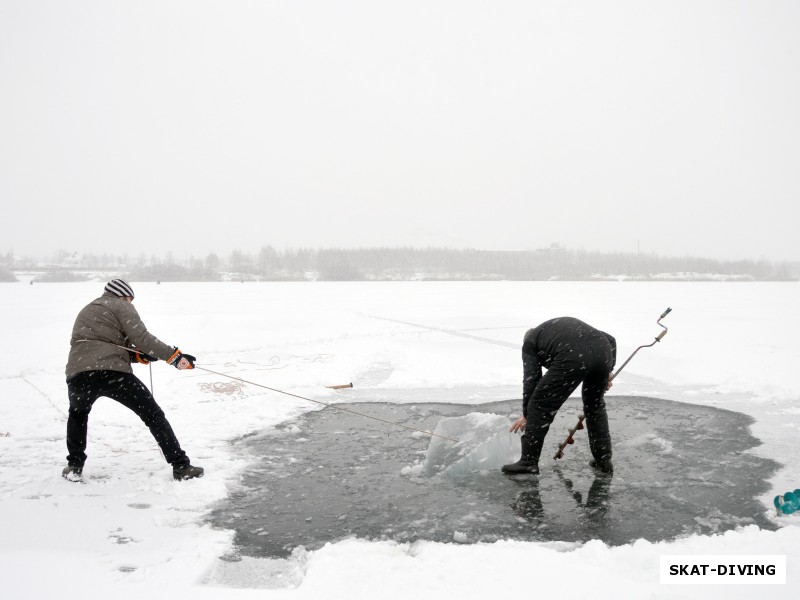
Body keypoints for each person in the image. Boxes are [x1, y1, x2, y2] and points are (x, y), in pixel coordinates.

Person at [62, 279, 204, 481]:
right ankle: (181, 466)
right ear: (124, 295)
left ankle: (74, 466)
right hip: (112, 374)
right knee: (153, 415)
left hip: (78, 374)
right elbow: (142, 338)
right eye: (130, 299)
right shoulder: (120, 305)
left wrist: (139, 356)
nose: (130, 303)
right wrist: (175, 357)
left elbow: (103, 345)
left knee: (78, 415)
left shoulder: (87, 309)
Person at [502, 317, 616, 476]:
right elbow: (610, 340)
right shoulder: (555, 332)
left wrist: (528, 414)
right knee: (594, 405)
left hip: (573, 356)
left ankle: (528, 462)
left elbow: (531, 380)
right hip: (603, 351)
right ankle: (603, 461)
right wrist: (607, 370)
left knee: (540, 404)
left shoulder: (529, 343)